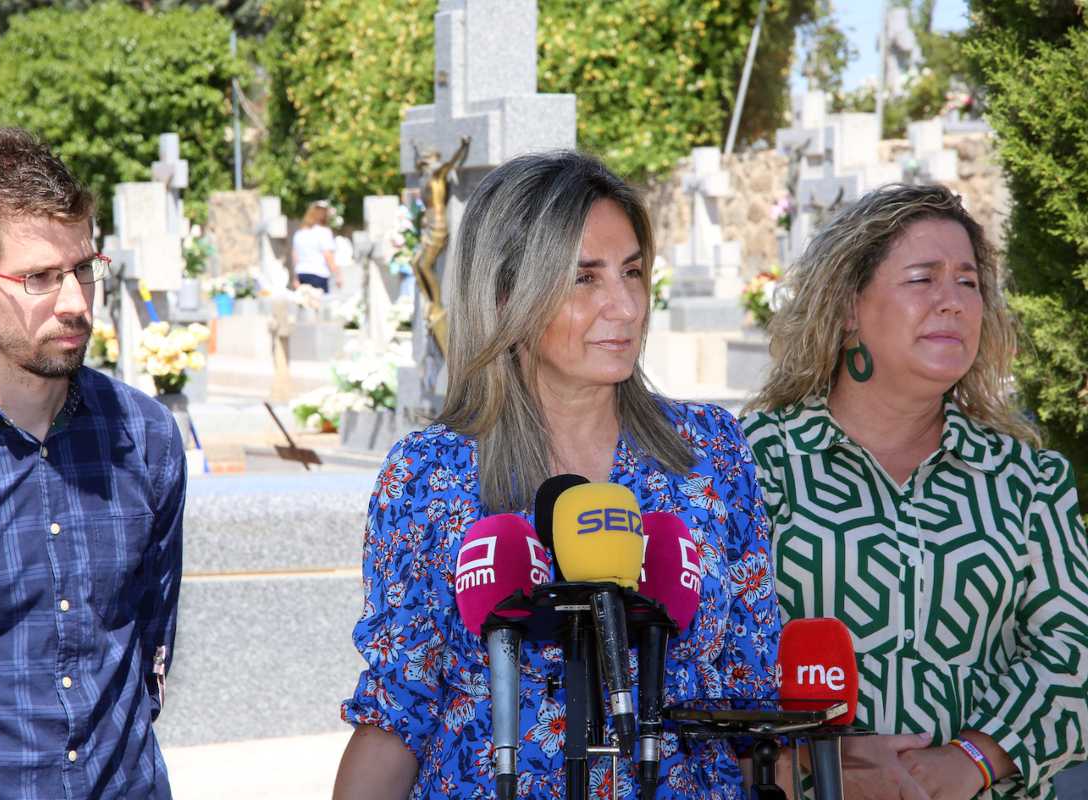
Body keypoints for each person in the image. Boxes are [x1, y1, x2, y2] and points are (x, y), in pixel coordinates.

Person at [333, 150, 780, 798]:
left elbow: (750, 699)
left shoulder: (709, 452)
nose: (625, 307)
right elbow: (396, 712)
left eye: (632, 272)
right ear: (508, 295)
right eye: (585, 279)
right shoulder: (428, 475)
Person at [742, 183, 1088, 800]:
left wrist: (971, 761)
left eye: (968, 283)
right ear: (848, 308)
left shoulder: (1028, 481)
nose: (953, 302)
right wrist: (809, 760)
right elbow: (700, 658)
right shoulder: (754, 461)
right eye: (923, 279)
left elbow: (1076, 652)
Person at [0, 127, 186, 798]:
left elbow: (150, 643)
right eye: (39, 279)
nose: (77, 302)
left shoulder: (146, 437)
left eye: (83, 267)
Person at [292, 199, 342, 293]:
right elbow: (328, 256)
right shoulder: (324, 232)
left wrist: (295, 278)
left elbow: (295, 257)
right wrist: (337, 275)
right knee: (320, 305)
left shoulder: (299, 233)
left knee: (305, 304)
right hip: (318, 274)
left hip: (302, 274)